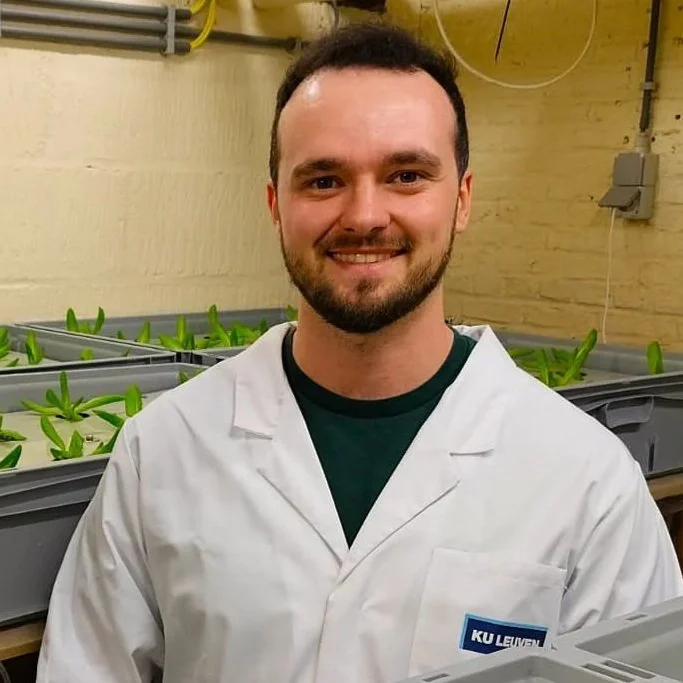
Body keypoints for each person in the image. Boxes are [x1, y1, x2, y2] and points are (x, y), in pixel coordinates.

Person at [36, 21, 682, 683]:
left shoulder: (587, 484)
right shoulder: (165, 451)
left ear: (460, 200)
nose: (365, 214)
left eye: (405, 174)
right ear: (275, 205)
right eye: (322, 180)